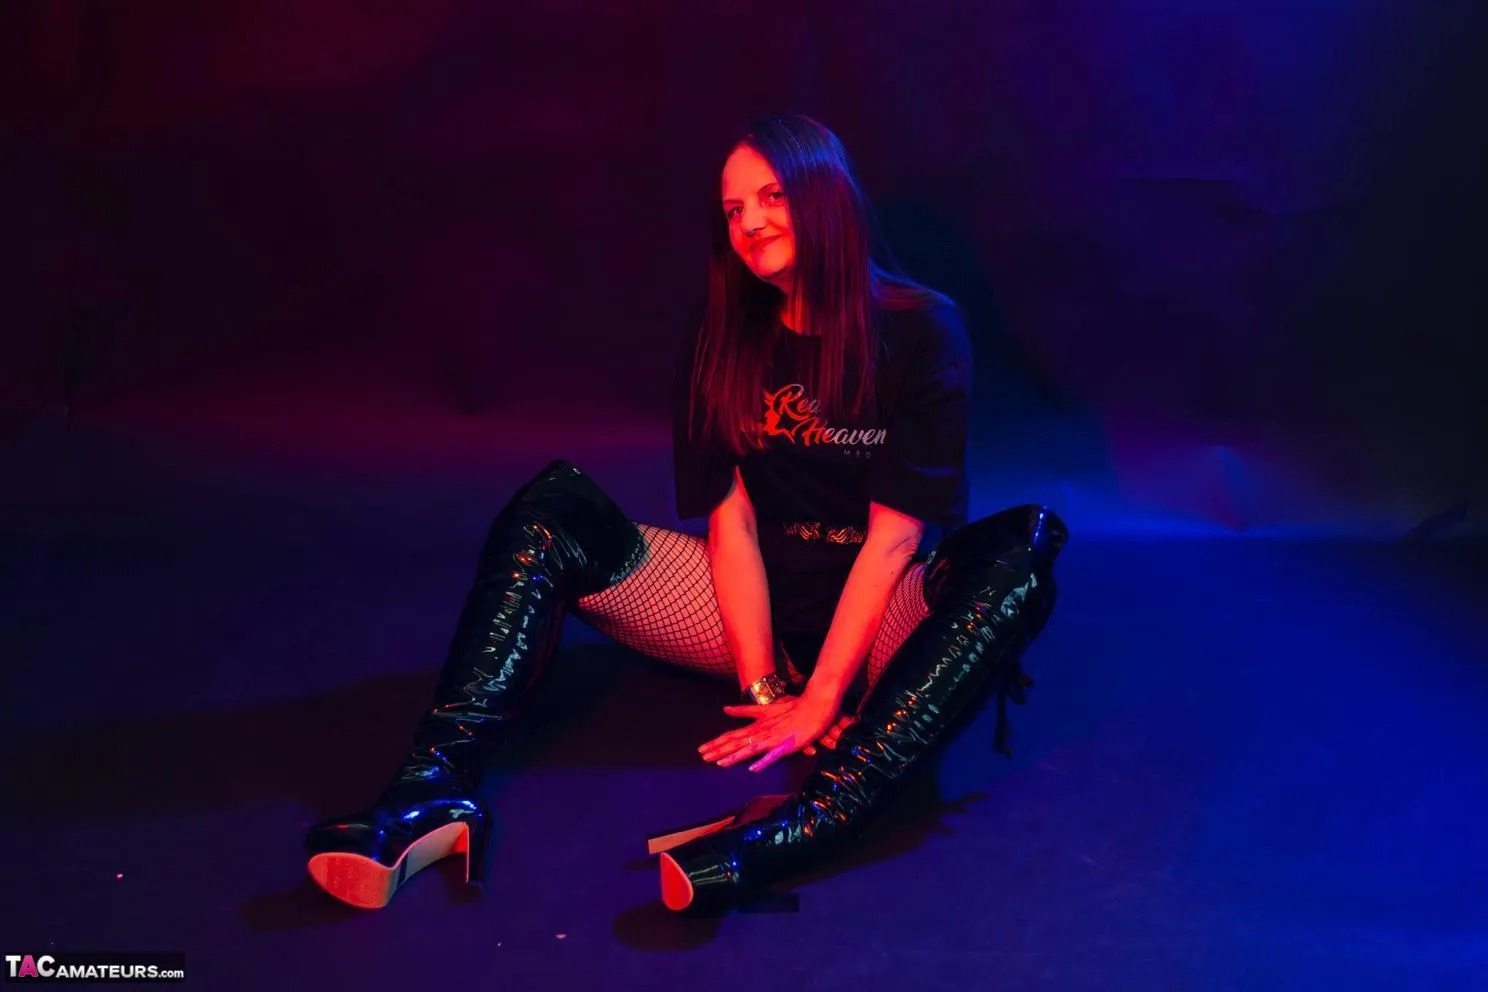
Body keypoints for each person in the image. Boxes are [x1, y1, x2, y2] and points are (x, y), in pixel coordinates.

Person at [304, 113, 1067, 914]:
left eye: (772, 196)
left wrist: (820, 702)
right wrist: (764, 685)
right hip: (749, 609)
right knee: (549, 513)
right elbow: (730, 525)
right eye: (734, 209)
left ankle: (811, 823)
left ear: (827, 198)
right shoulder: (721, 333)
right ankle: (432, 790)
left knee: (1017, 561)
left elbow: (894, 539)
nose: (750, 222)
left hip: (884, 622)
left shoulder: (921, 329)